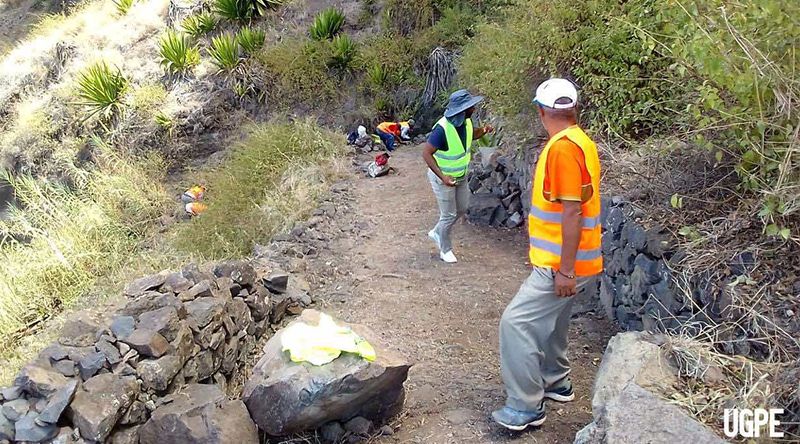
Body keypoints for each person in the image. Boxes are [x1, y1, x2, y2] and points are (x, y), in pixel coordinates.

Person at [492, 78, 603, 430]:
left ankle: (525, 407)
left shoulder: (561, 150)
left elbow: (572, 211)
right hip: (578, 259)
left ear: (541, 112)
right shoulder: (581, 141)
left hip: (560, 263)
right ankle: (557, 381)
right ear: (574, 110)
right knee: (554, 320)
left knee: (516, 323)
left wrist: (565, 271)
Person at [422, 90, 493, 263]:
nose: (474, 109)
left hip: (460, 176)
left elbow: (472, 134)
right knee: (448, 215)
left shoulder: (466, 122)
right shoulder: (442, 129)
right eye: (471, 107)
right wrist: (442, 177)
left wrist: (483, 130)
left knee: (462, 208)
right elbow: (426, 153)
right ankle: (445, 249)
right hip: (443, 179)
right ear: (462, 109)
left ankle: (437, 232)